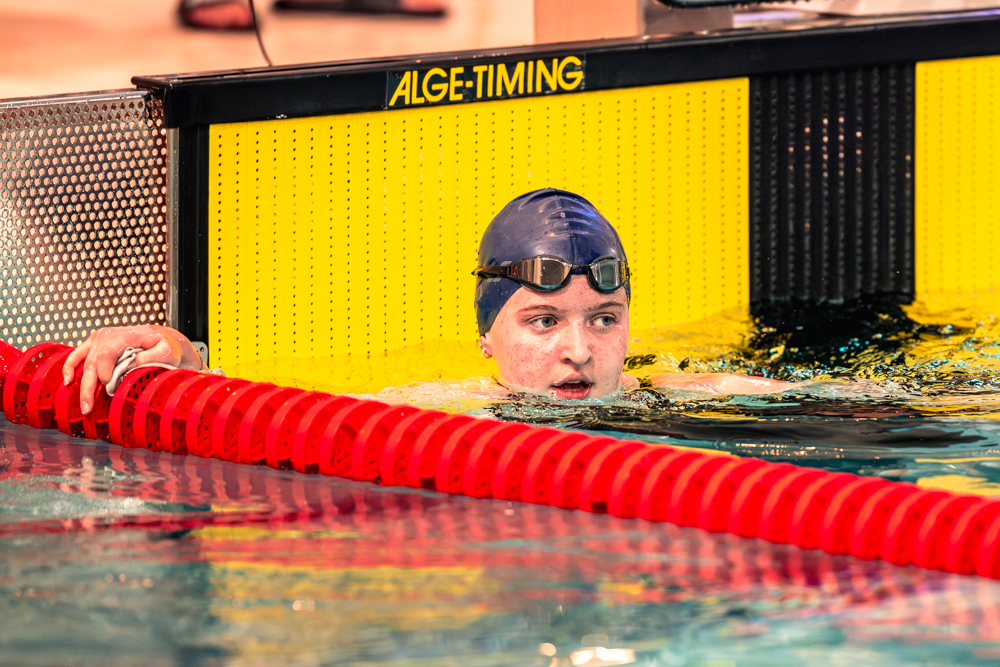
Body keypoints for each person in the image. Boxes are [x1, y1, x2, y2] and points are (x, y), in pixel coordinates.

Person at [63, 188, 789, 414]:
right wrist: (186, 356)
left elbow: (837, 400)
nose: (579, 351)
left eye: (604, 320)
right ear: (486, 337)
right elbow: (292, 406)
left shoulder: (677, 395)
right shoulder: (449, 406)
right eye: (542, 320)